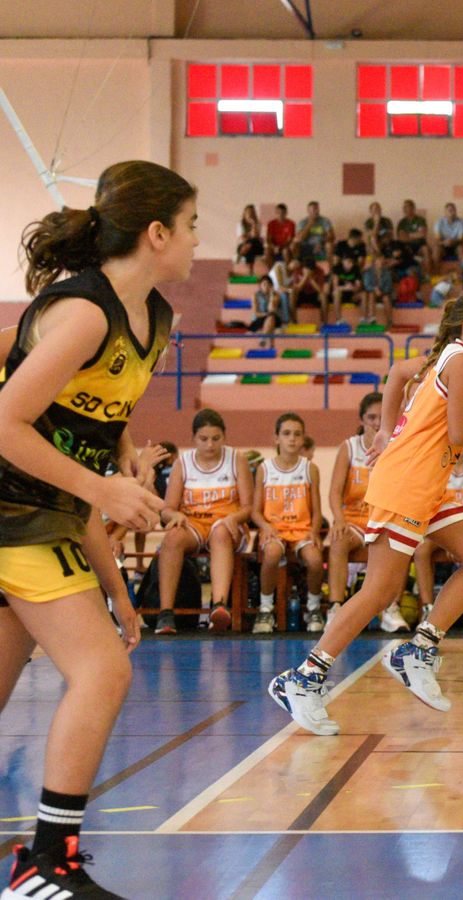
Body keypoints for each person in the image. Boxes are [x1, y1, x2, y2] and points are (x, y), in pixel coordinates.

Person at [0, 159, 190, 900]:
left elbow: (85, 448)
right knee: (104, 670)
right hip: (12, 513)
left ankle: (42, 865)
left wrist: (116, 585)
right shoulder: (81, 312)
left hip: (43, 515)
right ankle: (45, 864)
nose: (198, 240)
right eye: (192, 225)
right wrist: (102, 486)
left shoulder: (156, 323)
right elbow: (8, 425)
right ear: (155, 233)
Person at [270, 287, 463, 735]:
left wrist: (384, 434)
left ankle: (418, 649)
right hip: (407, 484)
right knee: (380, 591)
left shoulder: (447, 357)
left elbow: (395, 372)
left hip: (429, 486)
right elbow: (460, 433)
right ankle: (303, 677)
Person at [156, 408, 253, 635]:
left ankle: (218, 606)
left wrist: (235, 517)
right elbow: (166, 510)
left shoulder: (236, 459)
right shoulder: (183, 462)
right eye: (204, 439)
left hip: (229, 524)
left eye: (216, 439)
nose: (210, 445)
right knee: (172, 538)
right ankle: (166, 613)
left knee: (220, 533)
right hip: (195, 524)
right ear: (193, 439)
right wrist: (175, 515)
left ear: (224, 437)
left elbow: (249, 507)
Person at [252, 413, 324, 634]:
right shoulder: (265, 468)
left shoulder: (309, 468)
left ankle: (313, 607)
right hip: (275, 530)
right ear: (276, 438)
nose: (292, 439)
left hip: (302, 530)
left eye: (297, 434)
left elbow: (317, 510)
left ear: (303, 439)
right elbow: (255, 511)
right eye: (286, 434)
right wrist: (265, 527)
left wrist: (314, 531)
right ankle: (265, 608)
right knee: (272, 554)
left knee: (314, 560)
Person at [415, 450, 463, 633]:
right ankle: (427, 609)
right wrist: (452, 537)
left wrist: (461, 535)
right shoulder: (437, 465)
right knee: (421, 550)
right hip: (443, 526)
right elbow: (430, 506)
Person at [327, 392, 384, 625]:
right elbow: (334, 492)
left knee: (403, 542)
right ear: (361, 420)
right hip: (355, 521)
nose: (377, 423)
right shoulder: (349, 447)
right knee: (338, 539)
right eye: (371, 417)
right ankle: (336, 607)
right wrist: (338, 519)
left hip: (383, 521)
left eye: (382, 417)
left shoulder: (396, 446)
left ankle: (390, 608)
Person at [396, 199, 430, 275]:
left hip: (420, 246)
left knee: (426, 250)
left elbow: (422, 234)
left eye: (406, 207)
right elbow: (401, 238)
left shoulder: (420, 220)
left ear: (413, 208)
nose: (404, 209)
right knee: (400, 251)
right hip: (407, 246)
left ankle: (428, 275)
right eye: (403, 207)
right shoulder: (402, 222)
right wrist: (415, 235)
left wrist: (408, 235)